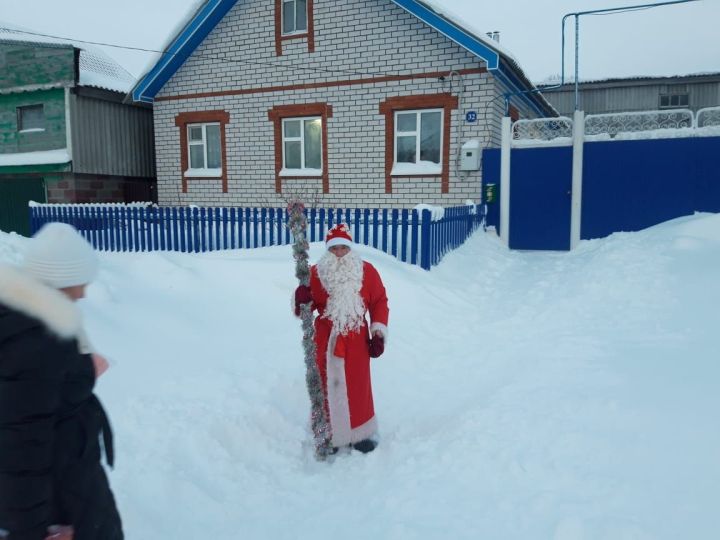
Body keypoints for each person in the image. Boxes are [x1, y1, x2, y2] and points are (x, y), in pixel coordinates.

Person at [0, 223, 123, 540]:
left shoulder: (40, 323)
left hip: (72, 481)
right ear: (57, 282)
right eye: (78, 283)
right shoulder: (35, 339)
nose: (83, 292)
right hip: (58, 502)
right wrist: (32, 530)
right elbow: (21, 445)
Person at [294, 223, 389, 453]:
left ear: (350, 249)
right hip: (326, 340)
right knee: (328, 385)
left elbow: (379, 301)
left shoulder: (367, 271)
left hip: (357, 341)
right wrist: (301, 298)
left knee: (358, 386)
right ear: (328, 250)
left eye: (343, 248)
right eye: (334, 248)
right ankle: (330, 434)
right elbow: (304, 311)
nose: (338, 253)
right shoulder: (317, 273)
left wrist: (377, 332)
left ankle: (361, 433)